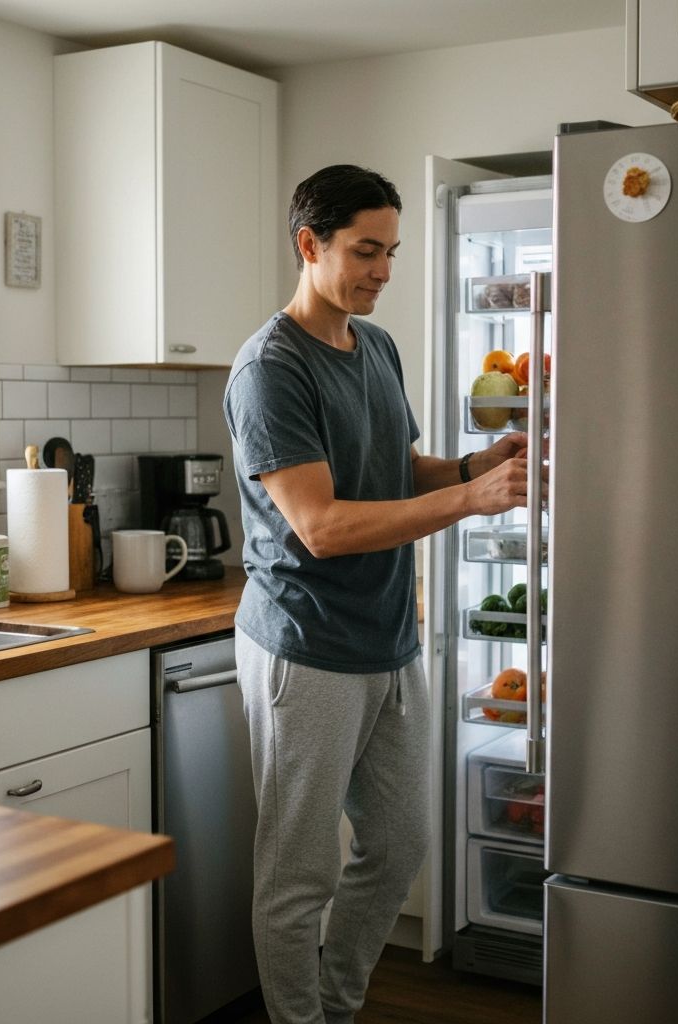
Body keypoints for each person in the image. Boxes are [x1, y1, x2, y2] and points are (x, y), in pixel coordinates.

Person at [222, 163, 537, 1024]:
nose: (383, 272)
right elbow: (320, 524)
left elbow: (392, 470)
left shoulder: (376, 346)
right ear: (309, 244)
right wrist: (468, 501)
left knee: (398, 847)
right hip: (306, 644)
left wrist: (481, 463)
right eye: (366, 251)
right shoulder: (269, 370)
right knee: (300, 875)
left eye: (392, 252)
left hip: (390, 637)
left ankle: (336, 1006)